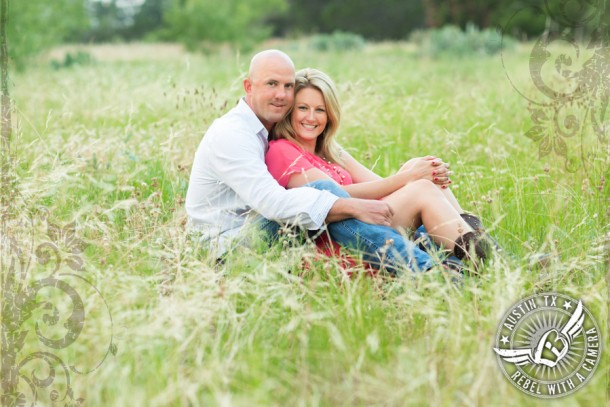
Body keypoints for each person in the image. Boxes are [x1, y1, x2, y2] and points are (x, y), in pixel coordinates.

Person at [185, 49, 449, 275]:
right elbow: (273, 203)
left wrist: (412, 176)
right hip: (225, 251)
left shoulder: (269, 131)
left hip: (253, 236)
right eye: (272, 84)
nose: (281, 94)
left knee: (324, 196)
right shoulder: (233, 134)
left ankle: (442, 253)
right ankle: (426, 270)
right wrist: (350, 206)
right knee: (323, 192)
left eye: (288, 86)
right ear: (249, 87)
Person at [266, 68, 492, 265]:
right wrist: (411, 177)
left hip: (371, 219)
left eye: (320, 110)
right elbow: (335, 198)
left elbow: (377, 183)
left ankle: (481, 249)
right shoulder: (282, 150)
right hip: (346, 236)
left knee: (423, 171)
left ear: (330, 115)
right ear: (290, 111)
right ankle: (484, 259)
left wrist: (419, 171)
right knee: (421, 187)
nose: (311, 117)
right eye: (303, 108)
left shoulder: (330, 151)